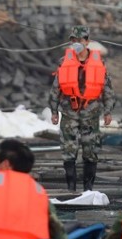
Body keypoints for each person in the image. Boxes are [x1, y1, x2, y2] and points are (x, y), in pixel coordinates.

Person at [48, 25, 115, 193]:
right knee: (68, 151)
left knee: (90, 151)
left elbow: (107, 89)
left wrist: (108, 111)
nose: (77, 43)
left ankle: (88, 189)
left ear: (87, 42)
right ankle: (71, 189)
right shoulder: (64, 62)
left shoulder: (99, 62)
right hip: (69, 111)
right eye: (74, 40)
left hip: (91, 112)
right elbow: (55, 89)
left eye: (80, 40)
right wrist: (54, 111)